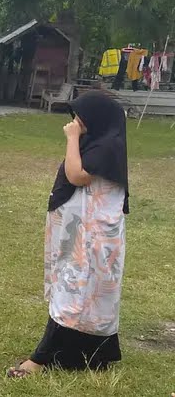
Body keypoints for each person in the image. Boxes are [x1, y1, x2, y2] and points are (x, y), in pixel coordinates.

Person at [8, 91, 129, 377]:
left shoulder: (108, 145)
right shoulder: (99, 141)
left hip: (94, 237)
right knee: (86, 294)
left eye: (80, 116)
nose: (75, 121)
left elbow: (76, 175)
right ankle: (90, 355)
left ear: (97, 118)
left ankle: (40, 359)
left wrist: (72, 138)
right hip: (83, 233)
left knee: (73, 293)